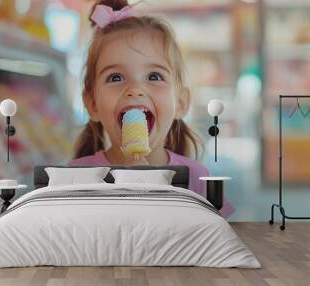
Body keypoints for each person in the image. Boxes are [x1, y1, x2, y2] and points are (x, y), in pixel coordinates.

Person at [69, 0, 234, 218]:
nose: (135, 89)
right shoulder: (75, 177)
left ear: (181, 103)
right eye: (115, 77)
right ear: (92, 104)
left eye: (154, 76)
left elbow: (217, 240)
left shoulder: (196, 179)